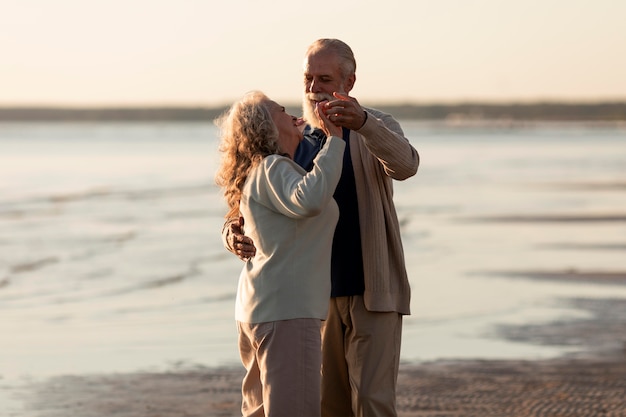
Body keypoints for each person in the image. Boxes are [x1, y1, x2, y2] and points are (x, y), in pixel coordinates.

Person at [223, 39, 420, 416]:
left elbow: (407, 165)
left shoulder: (375, 126)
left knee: (374, 403)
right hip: (314, 298)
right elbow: (250, 197)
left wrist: (363, 125)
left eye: (324, 79)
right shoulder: (293, 137)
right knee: (329, 406)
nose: (313, 89)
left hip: (374, 290)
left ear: (349, 81)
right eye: (307, 78)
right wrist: (232, 230)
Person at [215, 90, 346, 417]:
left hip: (260, 310)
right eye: (281, 111)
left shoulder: (265, 171)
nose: (291, 113)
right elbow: (311, 199)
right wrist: (335, 141)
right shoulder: (273, 167)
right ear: (266, 127)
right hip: (285, 312)